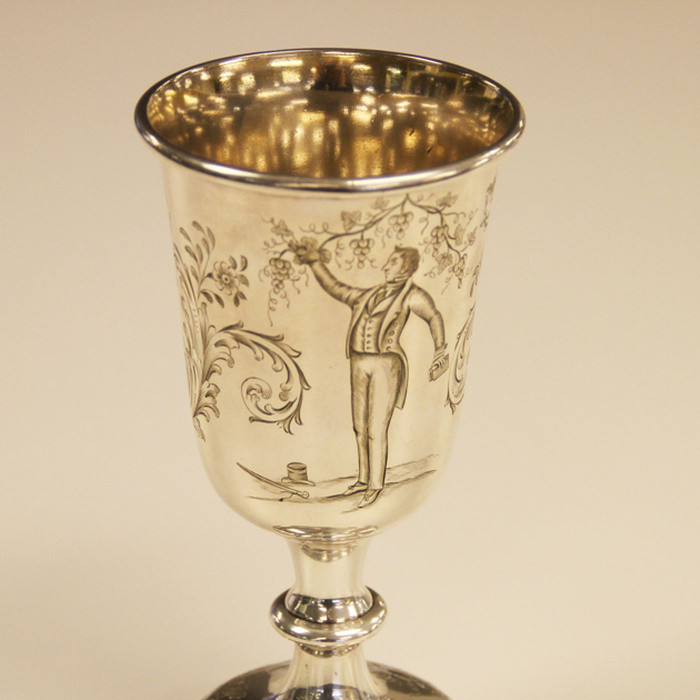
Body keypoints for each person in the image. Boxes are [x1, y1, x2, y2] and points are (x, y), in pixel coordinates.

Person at [294, 240, 448, 507]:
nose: (386, 266)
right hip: (358, 362)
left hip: (386, 364)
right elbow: (335, 288)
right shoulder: (368, 295)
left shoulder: (412, 295)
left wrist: (441, 350)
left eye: (393, 262)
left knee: (377, 427)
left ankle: (376, 484)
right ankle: (363, 479)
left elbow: (433, 316)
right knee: (360, 426)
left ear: (406, 267)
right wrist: (315, 262)